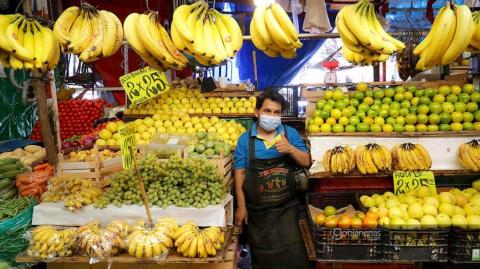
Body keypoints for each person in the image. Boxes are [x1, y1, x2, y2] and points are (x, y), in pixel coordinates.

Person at [233, 89, 312, 269]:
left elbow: (307, 162)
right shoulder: (245, 140)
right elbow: (240, 173)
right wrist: (241, 206)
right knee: (264, 259)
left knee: (296, 257)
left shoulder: (289, 134)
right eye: (267, 111)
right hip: (258, 214)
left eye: (276, 112)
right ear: (257, 112)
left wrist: (290, 149)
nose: (272, 116)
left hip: (287, 211)